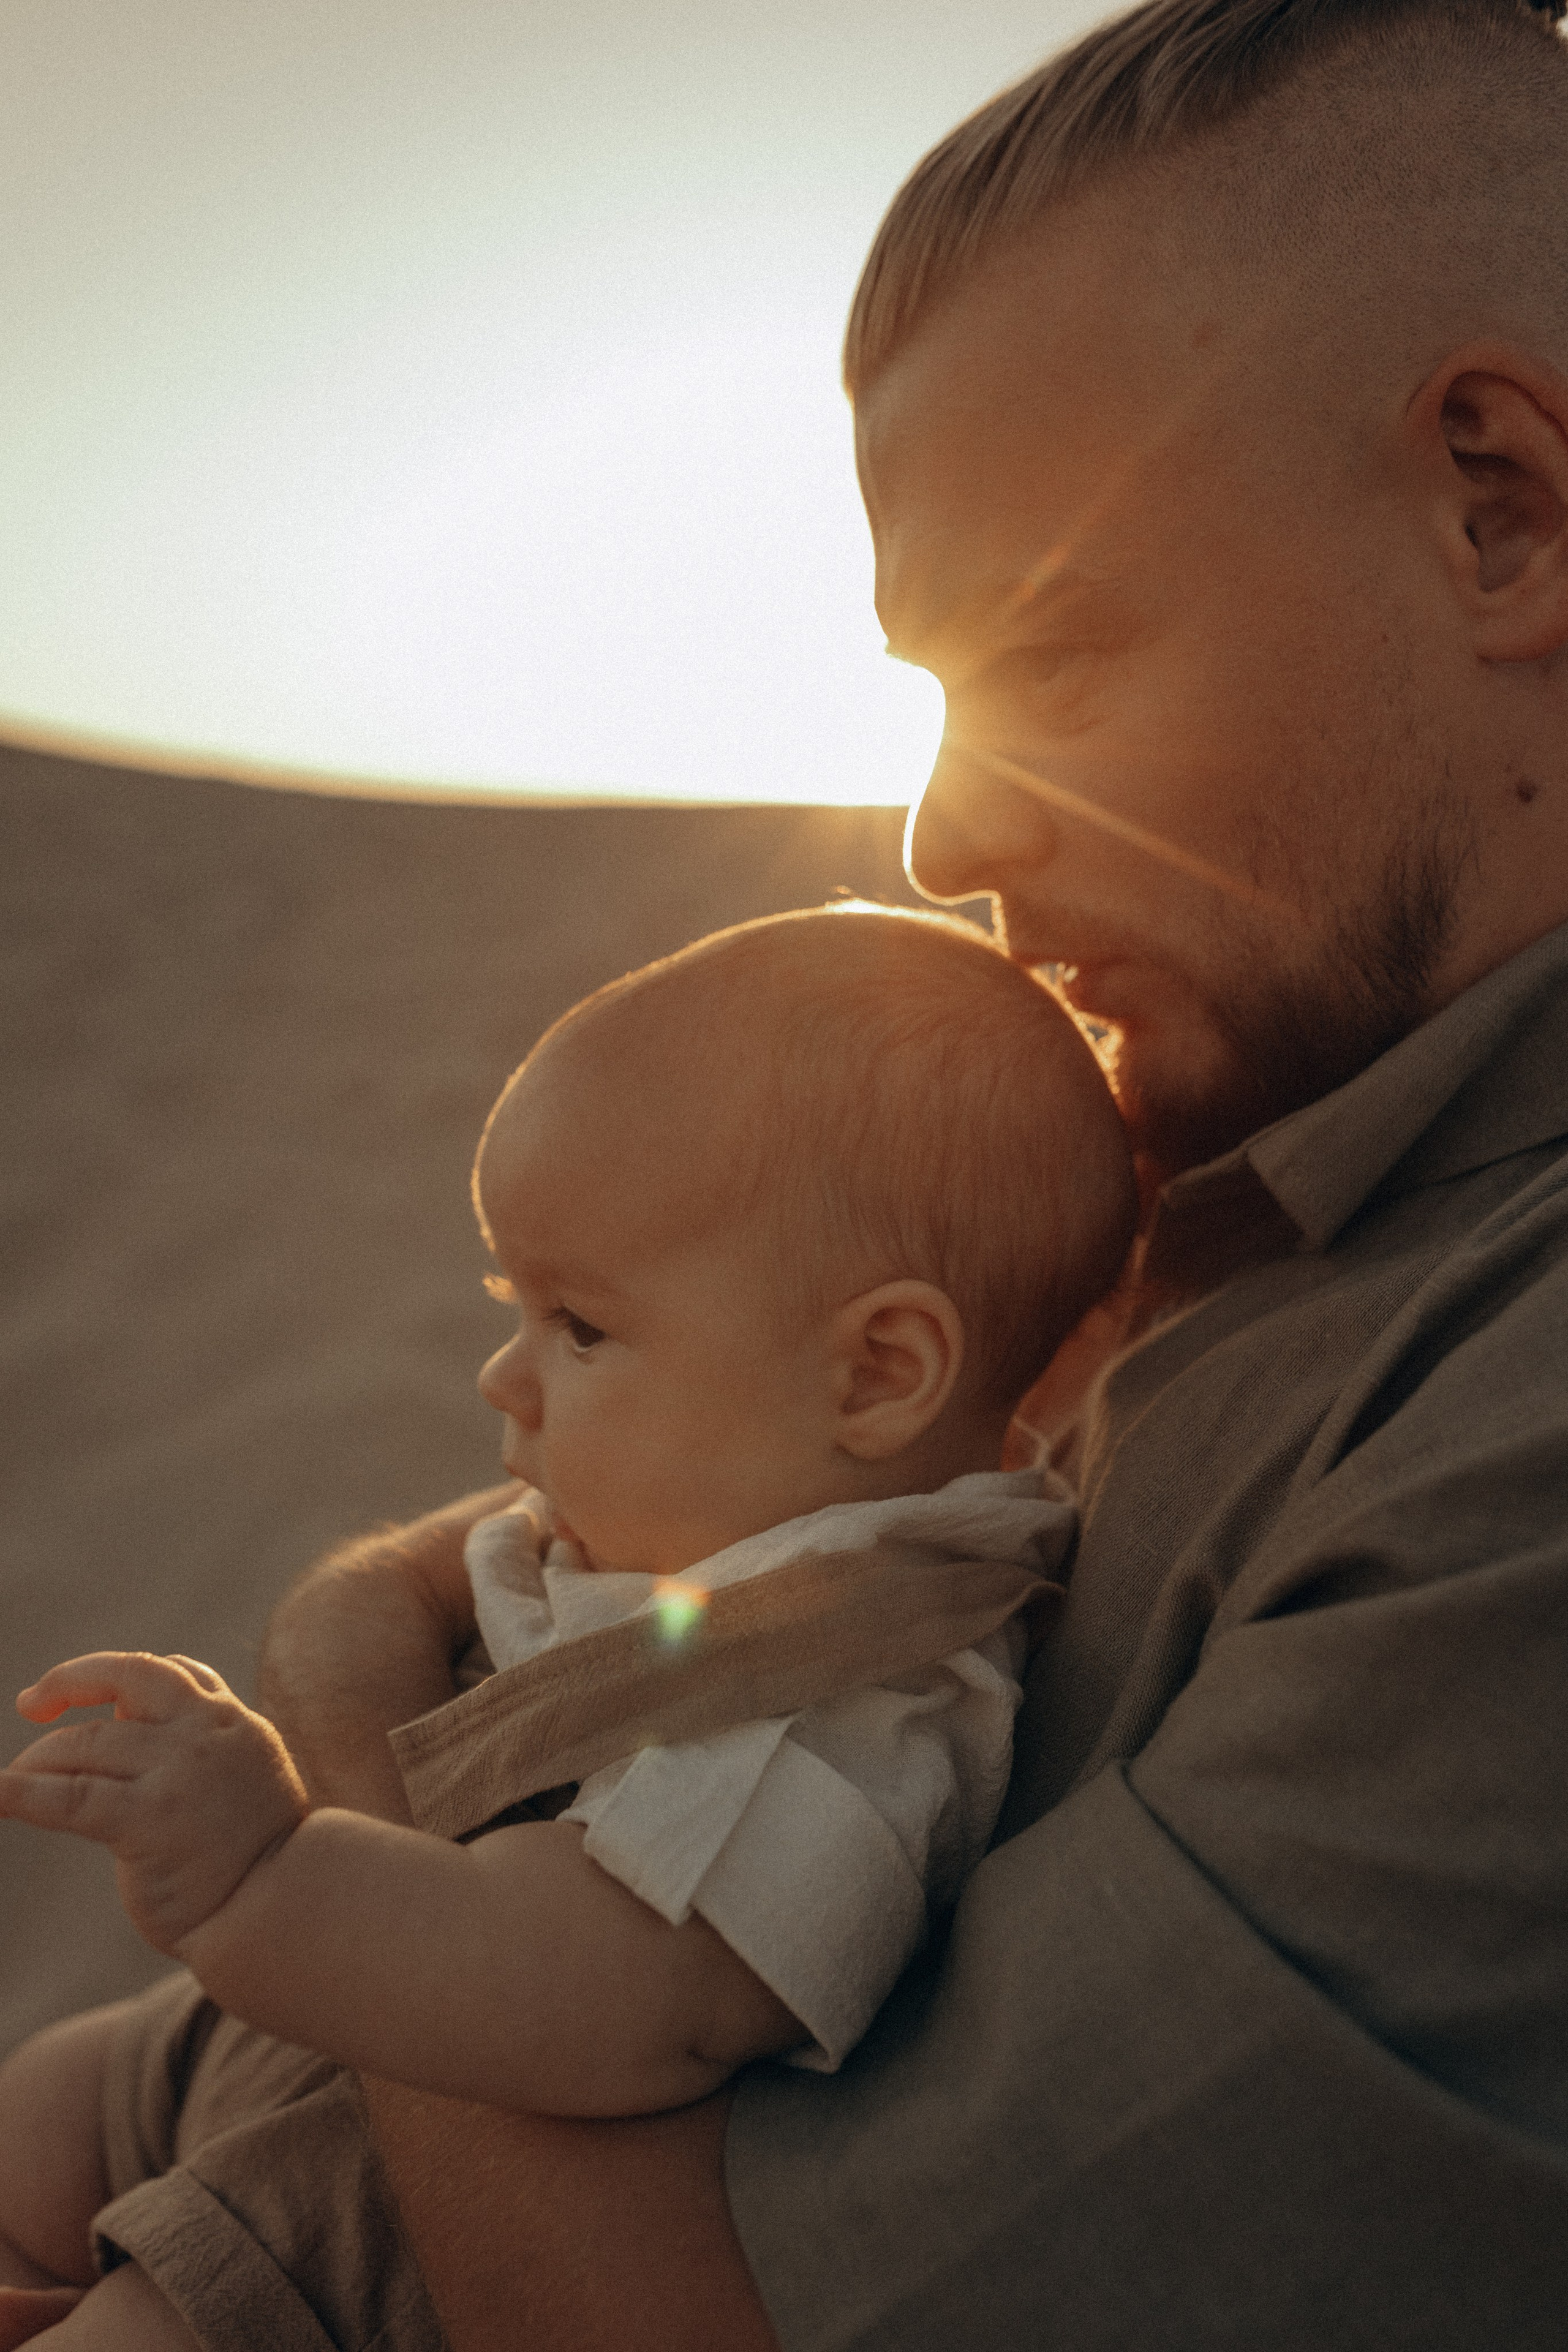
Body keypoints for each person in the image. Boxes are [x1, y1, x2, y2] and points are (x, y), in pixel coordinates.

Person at [186, 1, 1568, 2346]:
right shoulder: (1209, 1179)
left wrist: (342, 1722)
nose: (946, 833)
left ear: (1500, 504)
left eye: (1050, 643)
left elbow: (678, 2326)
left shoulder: (1513, 1415)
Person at [0, 908, 1136, 2350]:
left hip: (402, 2188)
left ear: (878, 1374)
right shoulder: (705, 1527)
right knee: (41, 2106)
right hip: (300, 2013)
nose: (501, 1376)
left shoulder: (862, 1705)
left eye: (577, 1327)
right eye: (509, 1303)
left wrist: (259, 1874)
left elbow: (618, 2002)